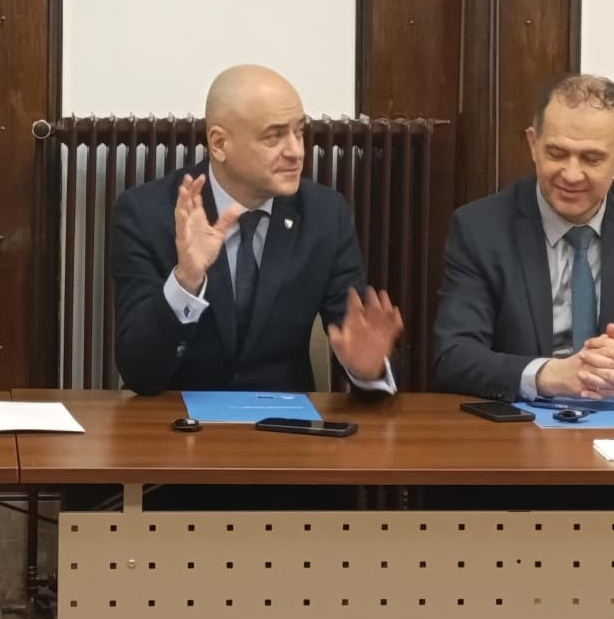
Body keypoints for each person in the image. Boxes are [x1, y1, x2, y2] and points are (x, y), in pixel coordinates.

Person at [107, 65, 404, 396]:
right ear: (219, 144)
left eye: (299, 132)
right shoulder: (148, 214)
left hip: (284, 420)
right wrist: (186, 280)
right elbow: (138, 372)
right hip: (175, 417)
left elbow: (357, 335)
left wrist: (369, 369)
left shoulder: (324, 215)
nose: (296, 152)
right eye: (274, 136)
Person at [433, 74, 614, 403]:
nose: (572, 175)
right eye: (557, 153)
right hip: (519, 424)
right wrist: (547, 376)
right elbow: (454, 356)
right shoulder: (481, 228)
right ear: (533, 145)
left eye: (592, 159)